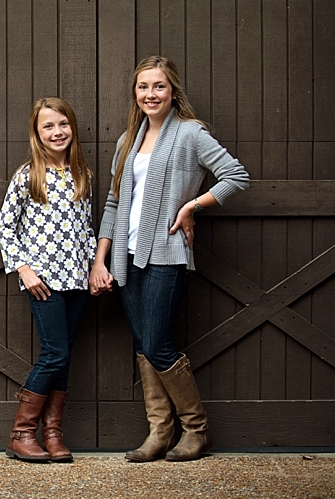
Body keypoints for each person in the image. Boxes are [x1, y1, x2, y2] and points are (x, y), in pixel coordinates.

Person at [89, 56, 249, 462]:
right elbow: (113, 201)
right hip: (125, 257)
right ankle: (160, 433)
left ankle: (197, 432)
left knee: (159, 344)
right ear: (135, 93)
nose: (150, 94)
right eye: (143, 87)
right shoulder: (129, 140)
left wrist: (192, 206)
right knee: (144, 344)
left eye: (158, 86)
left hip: (165, 253)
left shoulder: (191, 134)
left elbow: (236, 177)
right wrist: (100, 260)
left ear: (172, 91)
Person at [0, 97, 96, 463]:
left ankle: (53, 434)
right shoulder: (28, 176)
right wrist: (24, 270)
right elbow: (6, 228)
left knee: (64, 357)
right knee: (54, 353)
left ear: (72, 126)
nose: (57, 132)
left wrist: (92, 267)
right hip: (43, 280)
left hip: (76, 279)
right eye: (48, 127)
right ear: (37, 134)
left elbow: (85, 229)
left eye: (63, 124)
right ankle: (21, 433)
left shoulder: (81, 174)